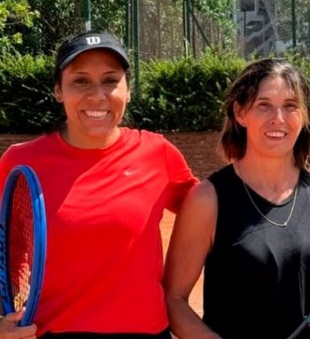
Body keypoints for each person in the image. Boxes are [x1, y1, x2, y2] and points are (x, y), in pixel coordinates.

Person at [0, 31, 200, 337]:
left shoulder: (158, 153)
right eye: (80, 81)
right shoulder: (21, 162)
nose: (97, 95)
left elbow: (211, 215)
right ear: (58, 90)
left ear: (128, 90)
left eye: (110, 80)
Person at [163, 58, 310, 339]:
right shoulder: (207, 199)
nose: (279, 118)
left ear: (305, 116)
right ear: (240, 113)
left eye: (290, 106)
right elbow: (173, 300)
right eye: (264, 105)